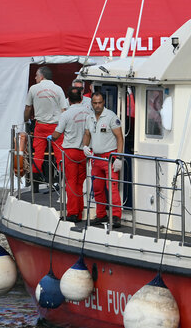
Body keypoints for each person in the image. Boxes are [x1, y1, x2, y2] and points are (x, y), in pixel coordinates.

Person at [51, 88, 94, 221]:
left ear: (68, 100)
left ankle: (73, 213)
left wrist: (50, 137)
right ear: (81, 99)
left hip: (70, 150)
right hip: (85, 151)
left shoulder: (66, 114)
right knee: (80, 183)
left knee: (70, 183)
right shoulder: (89, 112)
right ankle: (79, 211)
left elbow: (57, 133)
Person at [83, 91, 124, 228]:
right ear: (91, 103)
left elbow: (120, 137)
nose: (97, 105)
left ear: (104, 102)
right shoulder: (89, 118)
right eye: (95, 103)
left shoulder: (111, 116)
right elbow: (87, 134)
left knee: (111, 187)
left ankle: (116, 216)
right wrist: (84, 146)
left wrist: (118, 157)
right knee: (98, 188)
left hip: (109, 157)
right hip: (96, 157)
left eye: (100, 102)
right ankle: (101, 215)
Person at [24, 66, 67, 180]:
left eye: (36, 76)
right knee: (59, 152)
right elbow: (64, 110)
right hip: (56, 127)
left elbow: (28, 108)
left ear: (42, 77)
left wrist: (25, 120)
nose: (35, 78)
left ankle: (36, 179)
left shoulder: (33, 89)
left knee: (38, 153)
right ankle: (62, 177)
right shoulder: (58, 89)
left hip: (40, 126)